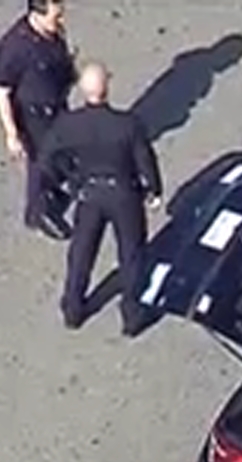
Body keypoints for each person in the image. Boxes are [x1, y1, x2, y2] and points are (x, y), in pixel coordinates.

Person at [36, 61, 163, 333]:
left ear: (82, 90)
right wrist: (153, 189)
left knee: (81, 253)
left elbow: (47, 158)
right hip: (124, 193)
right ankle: (132, 315)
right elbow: (145, 160)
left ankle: (73, 308)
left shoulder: (69, 125)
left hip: (89, 193)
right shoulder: (126, 125)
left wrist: (70, 179)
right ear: (106, 88)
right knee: (131, 255)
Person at [0, 0, 78, 240]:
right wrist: (11, 133)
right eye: (56, 17)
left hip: (57, 106)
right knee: (40, 165)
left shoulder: (54, 32)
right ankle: (37, 213)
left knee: (62, 152)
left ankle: (52, 190)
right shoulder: (14, 47)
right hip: (35, 117)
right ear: (36, 14)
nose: (61, 21)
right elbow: (2, 91)